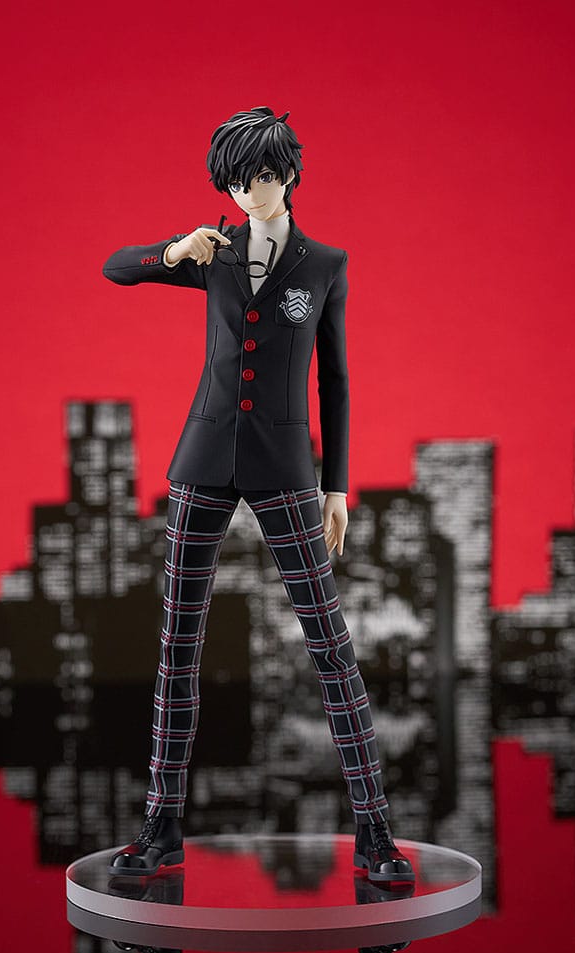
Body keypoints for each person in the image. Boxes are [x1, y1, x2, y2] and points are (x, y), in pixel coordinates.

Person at [102, 106, 413, 884]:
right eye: (236, 182)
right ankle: (162, 825)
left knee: (330, 645)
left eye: (262, 177)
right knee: (179, 646)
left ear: (290, 175)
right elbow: (115, 267)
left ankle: (375, 830)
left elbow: (336, 379)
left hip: (284, 465)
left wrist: (337, 484)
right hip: (204, 458)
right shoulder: (211, 249)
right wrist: (174, 249)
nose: (248, 193)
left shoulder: (325, 264)